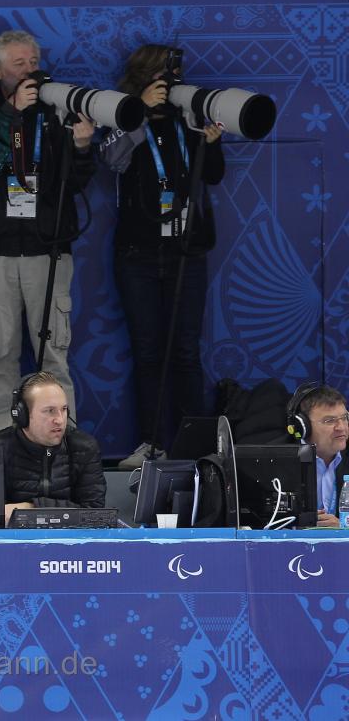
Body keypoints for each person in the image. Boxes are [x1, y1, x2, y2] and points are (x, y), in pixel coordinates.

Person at [99, 44, 225, 470]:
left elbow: (212, 175)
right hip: (138, 252)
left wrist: (210, 142)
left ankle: (196, 443)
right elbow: (112, 160)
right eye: (164, 76)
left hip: (187, 251)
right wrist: (138, 111)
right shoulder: (122, 111)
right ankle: (151, 442)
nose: (171, 84)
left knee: (187, 351)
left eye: (176, 76)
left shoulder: (188, 114)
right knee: (148, 352)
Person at [0, 30, 96, 442]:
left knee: (52, 353)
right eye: (19, 64)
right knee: (0, 353)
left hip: (49, 246)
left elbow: (74, 183)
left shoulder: (57, 105)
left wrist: (81, 147)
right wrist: (10, 115)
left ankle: (62, 445)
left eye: (34, 61)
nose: (30, 70)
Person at [0, 372, 106, 523]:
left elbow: (95, 514)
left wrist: (31, 508)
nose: (59, 419)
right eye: (49, 411)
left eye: (64, 409)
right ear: (22, 415)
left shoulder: (84, 447)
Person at [286, 384, 349, 528]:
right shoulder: (278, 461)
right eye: (330, 421)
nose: (341, 427)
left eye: (344, 418)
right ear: (303, 427)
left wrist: (343, 527)